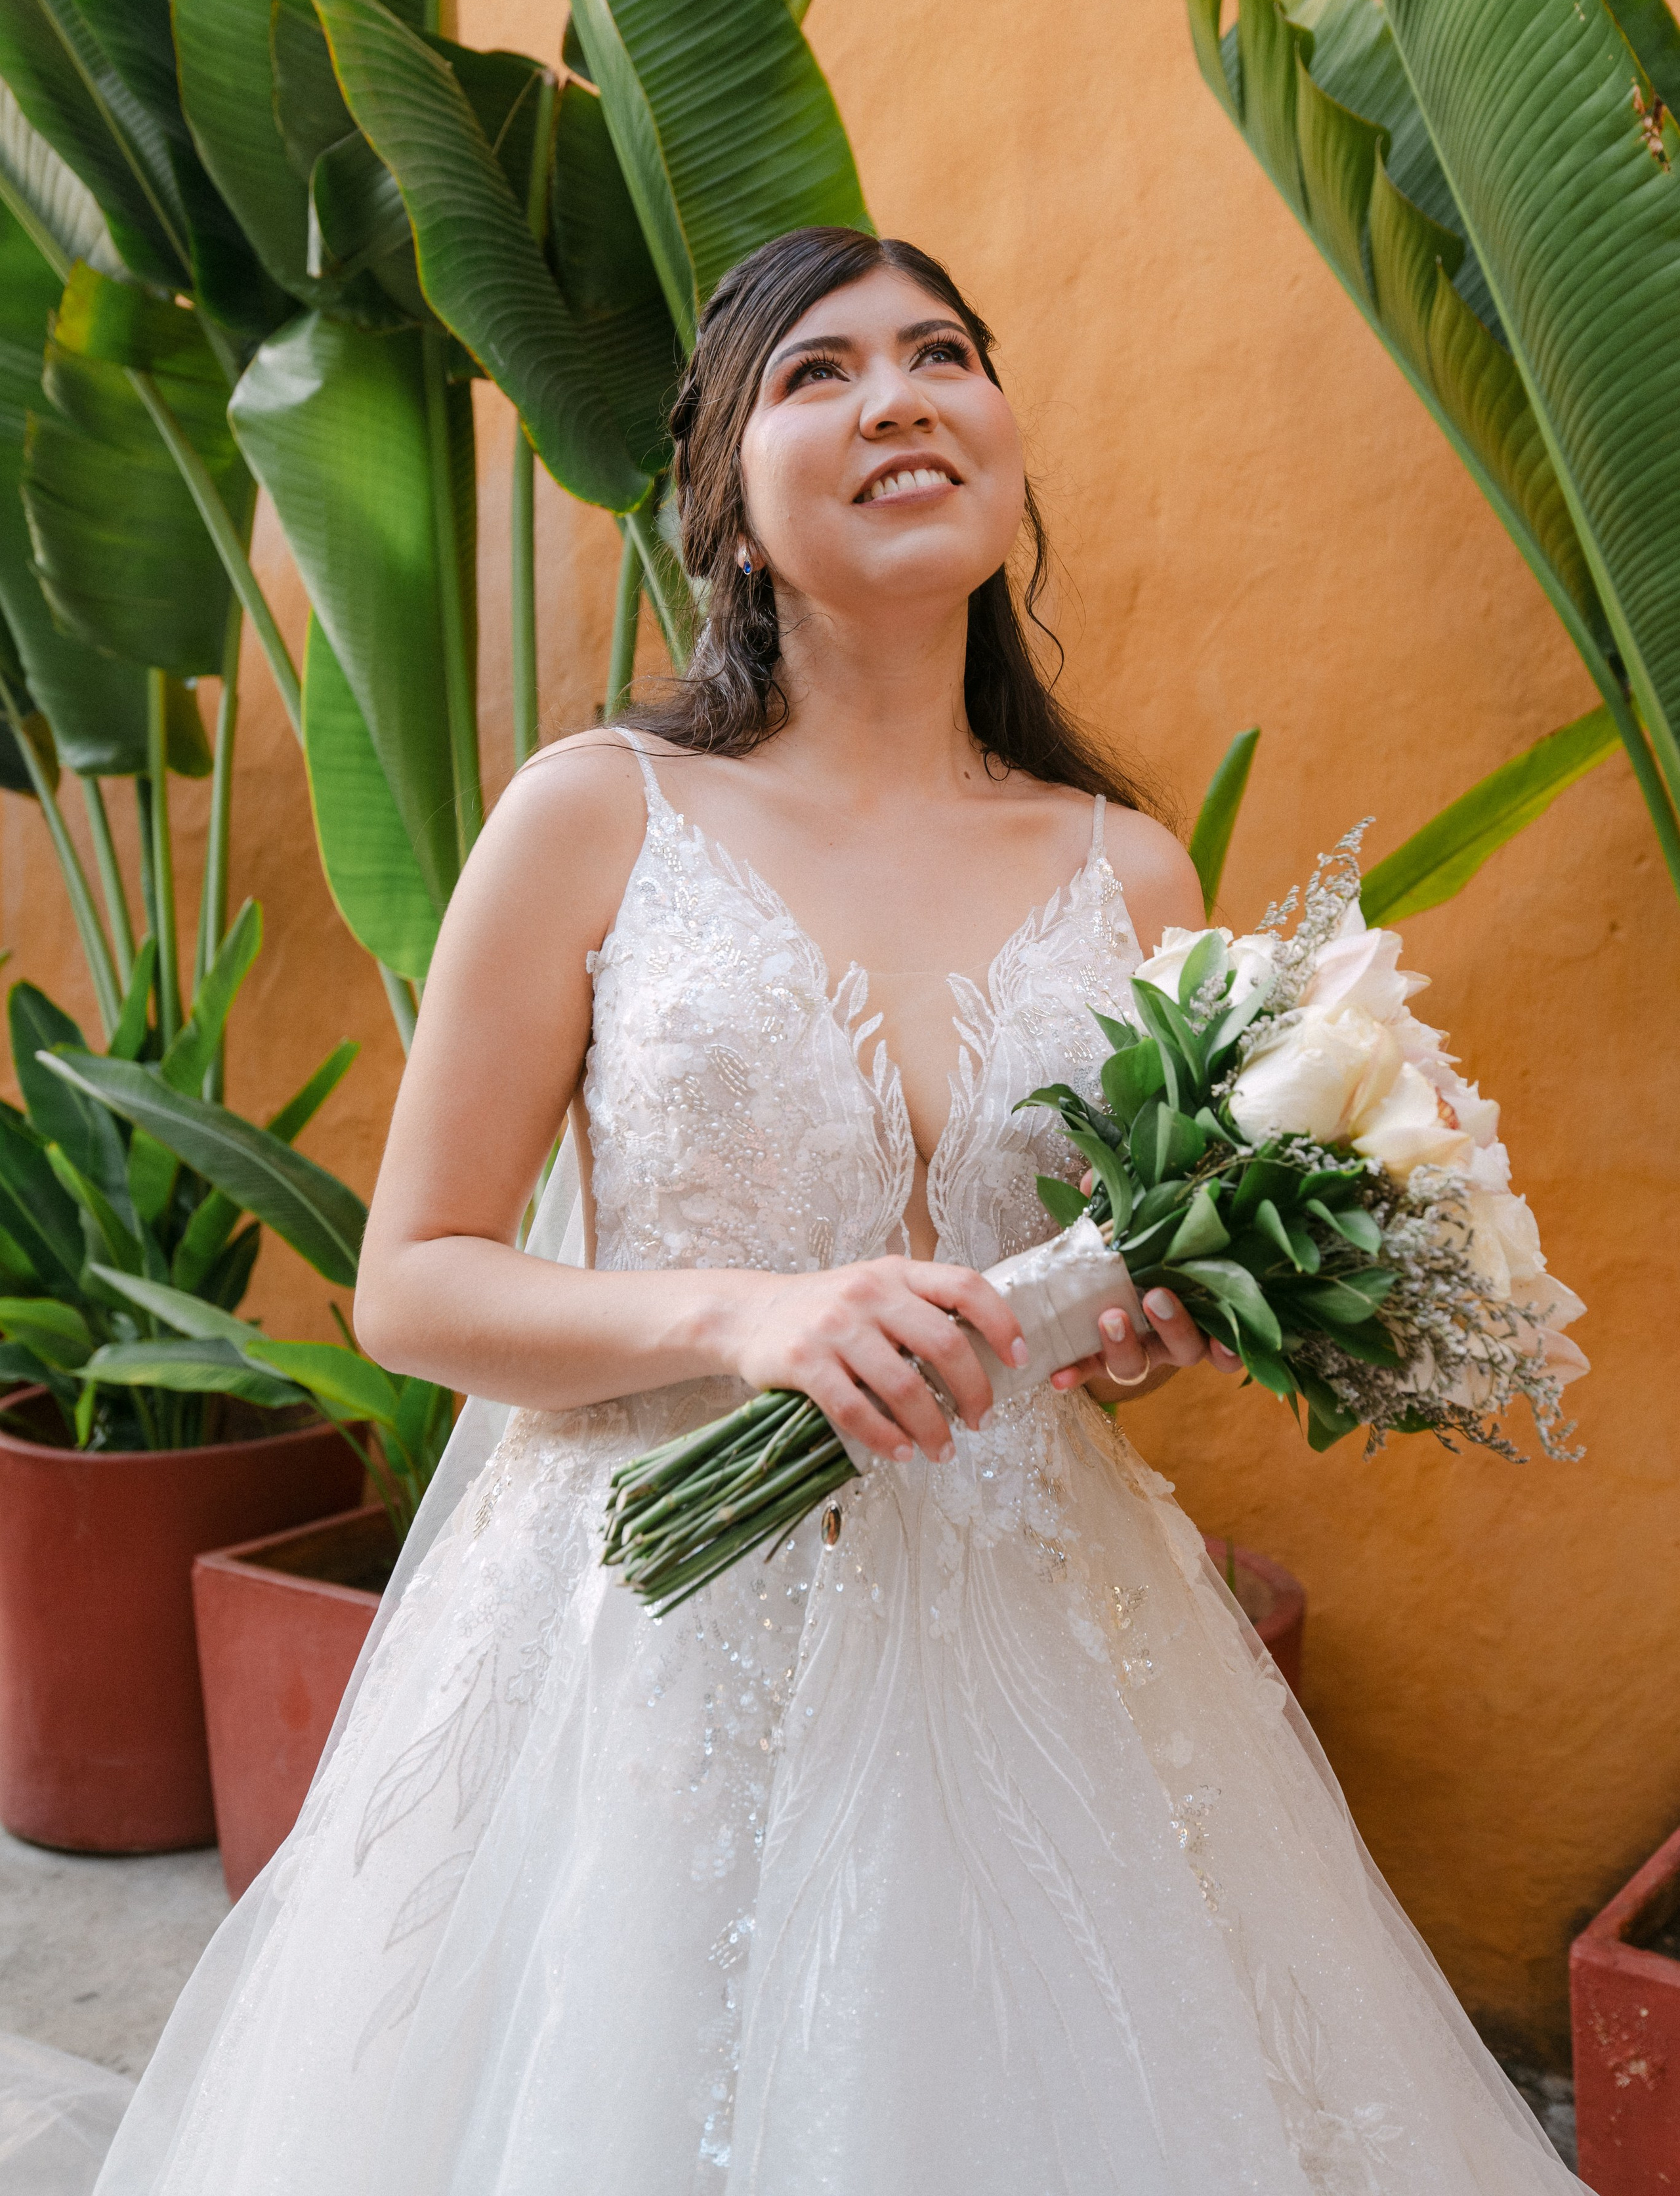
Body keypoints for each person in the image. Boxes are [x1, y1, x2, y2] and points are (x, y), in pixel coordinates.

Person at [95, 228, 1580, 2193]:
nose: (896, 395)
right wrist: (746, 1321)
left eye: (943, 353)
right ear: (722, 503)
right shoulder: (594, 812)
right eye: (821, 370)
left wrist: (1142, 1318)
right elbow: (412, 1283)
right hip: (638, 1640)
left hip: (1030, 1633)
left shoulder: (1131, 869)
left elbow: (1106, 1284)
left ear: (1005, 443)